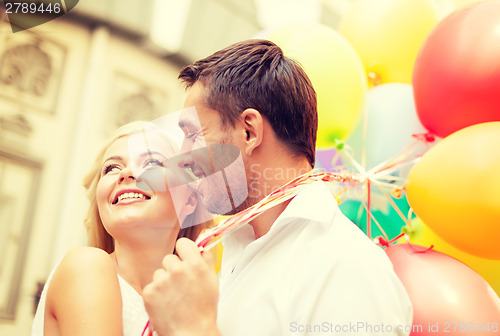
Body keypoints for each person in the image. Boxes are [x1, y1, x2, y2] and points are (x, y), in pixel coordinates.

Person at [142, 39, 413, 336]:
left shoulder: (348, 269)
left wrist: (194, 329)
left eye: (194, 134)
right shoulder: (235, 252)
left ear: (249, 132)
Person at [31, 121, 210, 336]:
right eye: (111, 168)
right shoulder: (86, 265)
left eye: (152, 163)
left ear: (190, 200)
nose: (126, 173)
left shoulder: (203, 298)